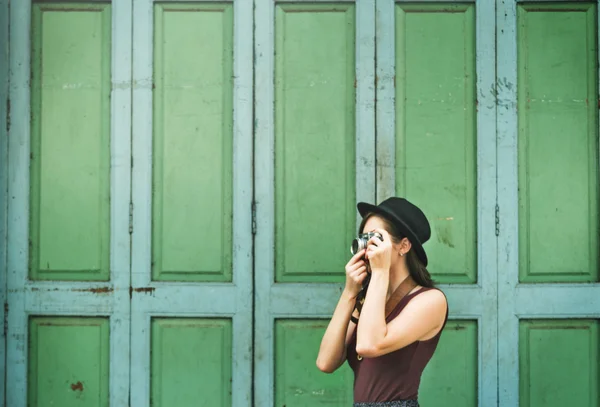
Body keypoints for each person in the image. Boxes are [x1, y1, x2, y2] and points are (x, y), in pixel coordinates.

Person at [316, 197, 448, 407]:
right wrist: (350, 292)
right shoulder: (369, 299)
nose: (367, 247)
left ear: (403, 245)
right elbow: (325, 362)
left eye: (376, 238)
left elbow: (369, 344)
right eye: (364, 238)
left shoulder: (431, 300)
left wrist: (379, 271)